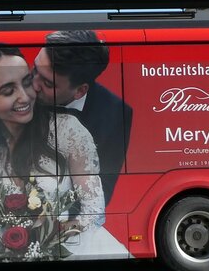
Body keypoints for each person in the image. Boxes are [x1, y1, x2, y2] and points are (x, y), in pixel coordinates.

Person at [0, 46, 121, 256]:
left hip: (79, 249)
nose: (24, 97)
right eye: (8, 91)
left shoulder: (67, 131)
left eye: (26, 82)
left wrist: (51, 240)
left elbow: (94, 210)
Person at [31, 29, 133, 204]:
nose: (33, 85)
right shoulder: (16, 90)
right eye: (34, 69)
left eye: (47, 83)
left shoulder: (115, 113)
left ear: (80, 91)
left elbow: (100, 192)